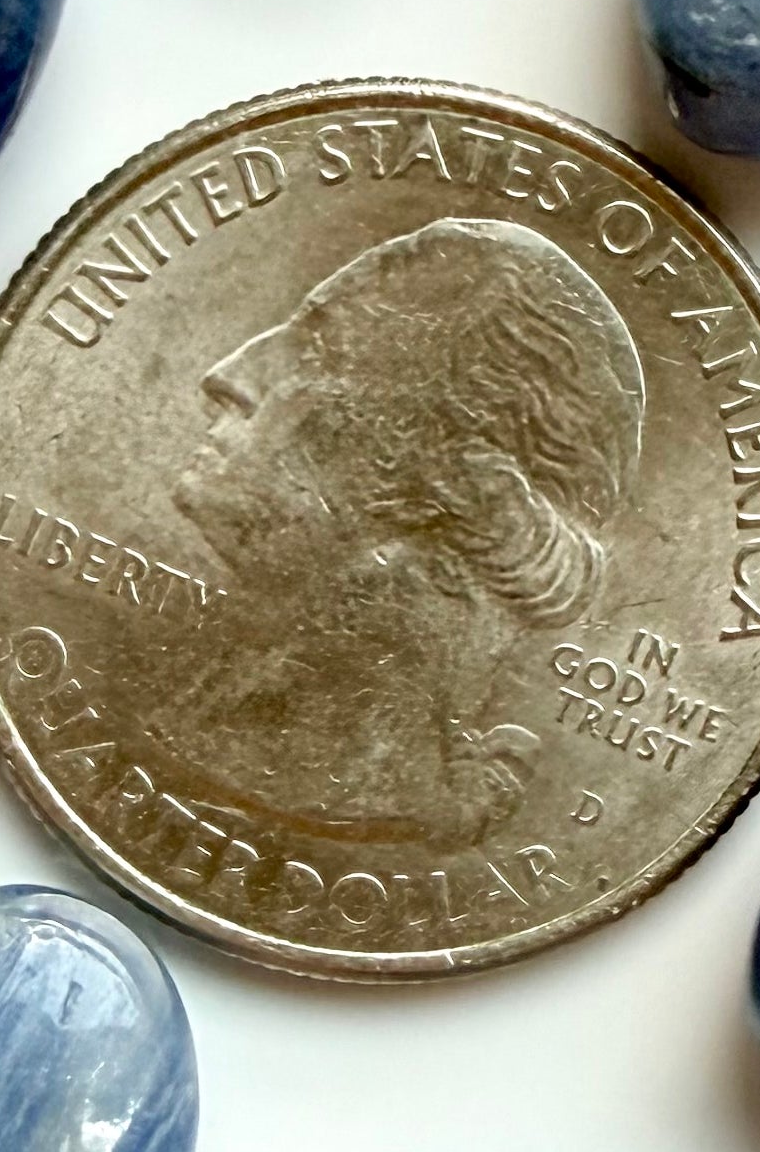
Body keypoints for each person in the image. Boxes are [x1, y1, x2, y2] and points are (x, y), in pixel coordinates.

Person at [171, 215, 647, 844]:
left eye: (318, 348)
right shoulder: (239, 714)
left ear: (450, 471)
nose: (225, 375)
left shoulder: (318, 768)